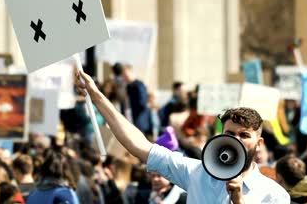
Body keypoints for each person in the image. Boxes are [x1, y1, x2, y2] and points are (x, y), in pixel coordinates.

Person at [76, 70, 290, 203]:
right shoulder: (197, 173)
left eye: (244, 135)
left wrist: (239, 201)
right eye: (230, 134)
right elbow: (139, 145)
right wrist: (97, 97)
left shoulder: (274, 195)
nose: (236, 140)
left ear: (259, 143)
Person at [120, 64, 152, 135]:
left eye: (126, 75)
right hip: (132, 120)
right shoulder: (128, 87)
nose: (125, 78)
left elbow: (143, 104)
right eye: (123, 76)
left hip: (140, 121)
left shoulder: (139, 85)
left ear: (131, 72)